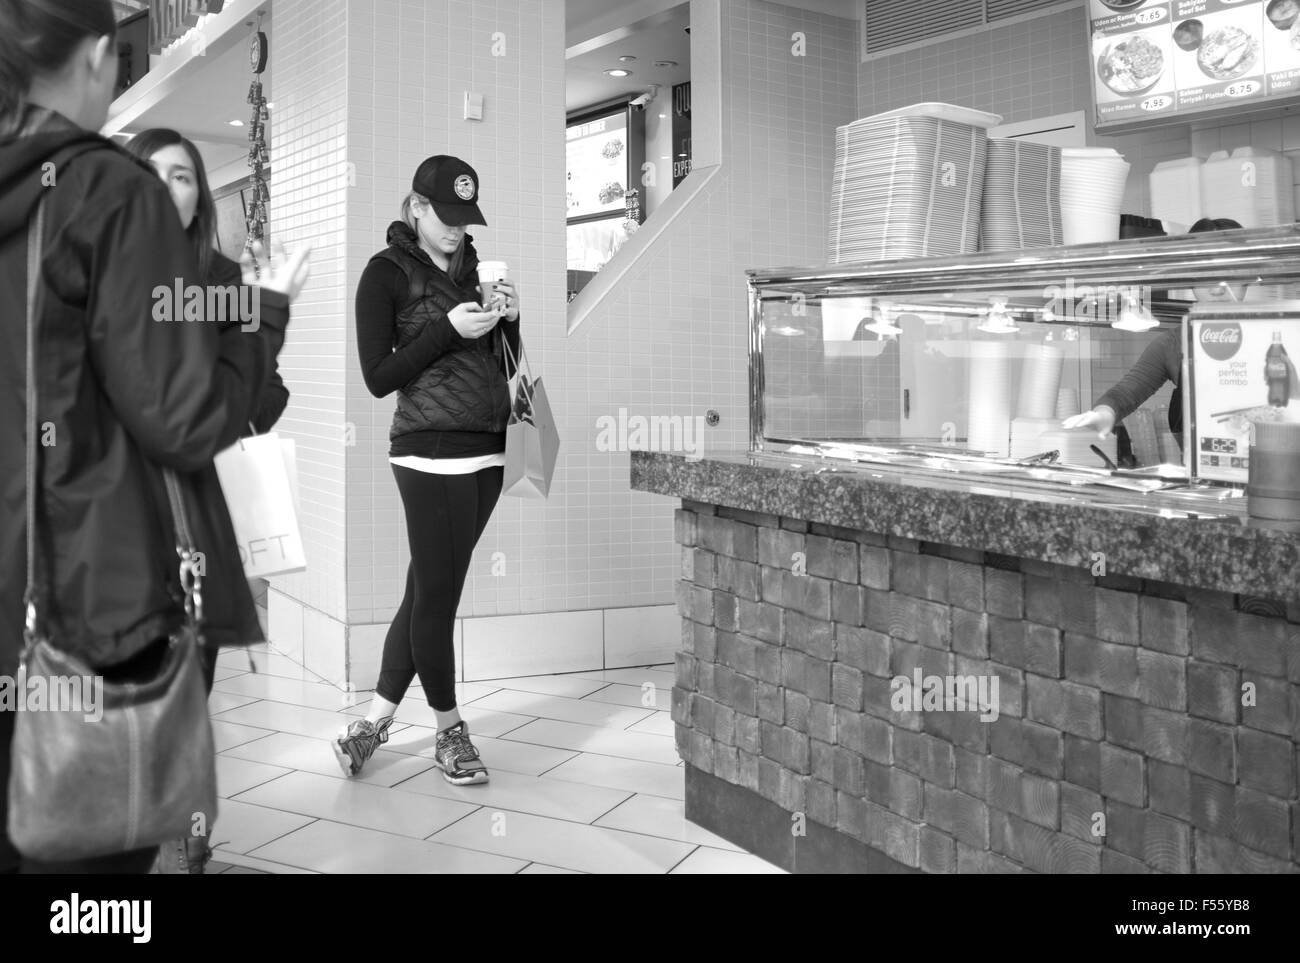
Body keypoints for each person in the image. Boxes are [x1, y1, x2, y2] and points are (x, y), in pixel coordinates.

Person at [0, 0, 309, 874]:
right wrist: (268, 314)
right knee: (97, 877)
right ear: (101, 57)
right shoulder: (104, 194)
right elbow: (186, 418)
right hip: (89, 594)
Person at [124, 128, 295, 873]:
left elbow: (270, 385)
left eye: (184, 176)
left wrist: (234, 406)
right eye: (153, 175)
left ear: (200, 195)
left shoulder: (225, 279)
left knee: (189, 677)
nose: (170, 188)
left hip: (199, 510)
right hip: (116, 515)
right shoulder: (97, 274)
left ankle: (186, 832)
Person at [340, 155, 520, 785]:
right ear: (415, 207)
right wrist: (446, 327)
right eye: (444, 216)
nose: (456, 230)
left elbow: (504, 362)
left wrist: (510, 322)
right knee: (439, 599)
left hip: (491, 448)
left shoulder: (475, 267)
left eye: (465, 219)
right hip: (429, 452)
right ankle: (449, 730)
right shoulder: (383, 274)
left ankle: (371, 725)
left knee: (425, 590)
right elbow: (377, 377)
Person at [1062, 218, 1245, 451]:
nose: (1217, 288)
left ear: (1249, 274)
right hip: (1205, 475)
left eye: (1228, 272)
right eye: (1205, 273)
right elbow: (1127, 391)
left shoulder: (1277, 334)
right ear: (1190, 278)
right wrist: (1104, 414)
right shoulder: (1175, 343)